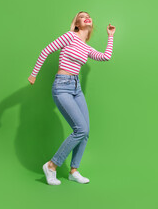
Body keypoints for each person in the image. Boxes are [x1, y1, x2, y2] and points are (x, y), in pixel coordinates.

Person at [28, 11, 116, 185]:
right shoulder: (69, 36)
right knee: (80, 129)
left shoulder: (86, 47)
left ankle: (73, 171)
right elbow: (46, 51)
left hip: (76, 88)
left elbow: (105, 57)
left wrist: (110, 36)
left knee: (85, 132)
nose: (86, 17)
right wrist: (33, 74)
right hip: (62, 87)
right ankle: (52, 165)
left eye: (88, 15)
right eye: (82, 16)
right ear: (76, 23)